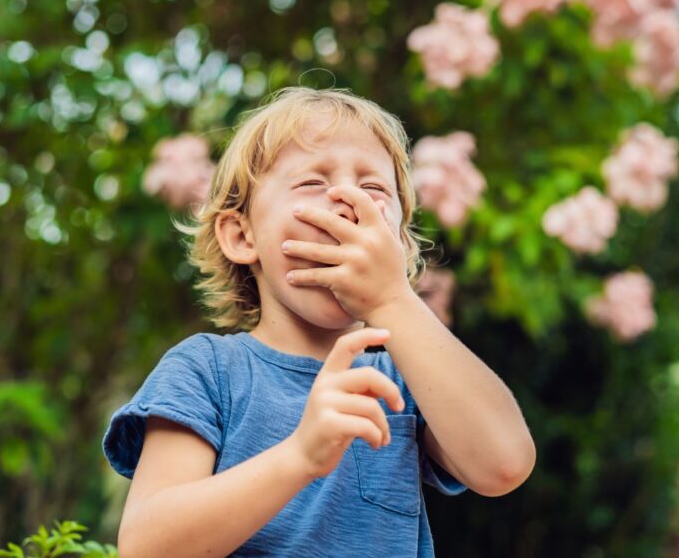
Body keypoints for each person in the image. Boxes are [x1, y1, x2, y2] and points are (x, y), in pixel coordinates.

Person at [102, 87, 536, 557]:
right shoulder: (207, 371)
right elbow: (147, 547)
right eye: (312, 183)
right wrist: (300, 456)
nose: (349, 200)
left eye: (374, 190)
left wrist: (394, 298)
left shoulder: (406, 381)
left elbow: (504, 464)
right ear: (241, 235)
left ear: (399, 247)